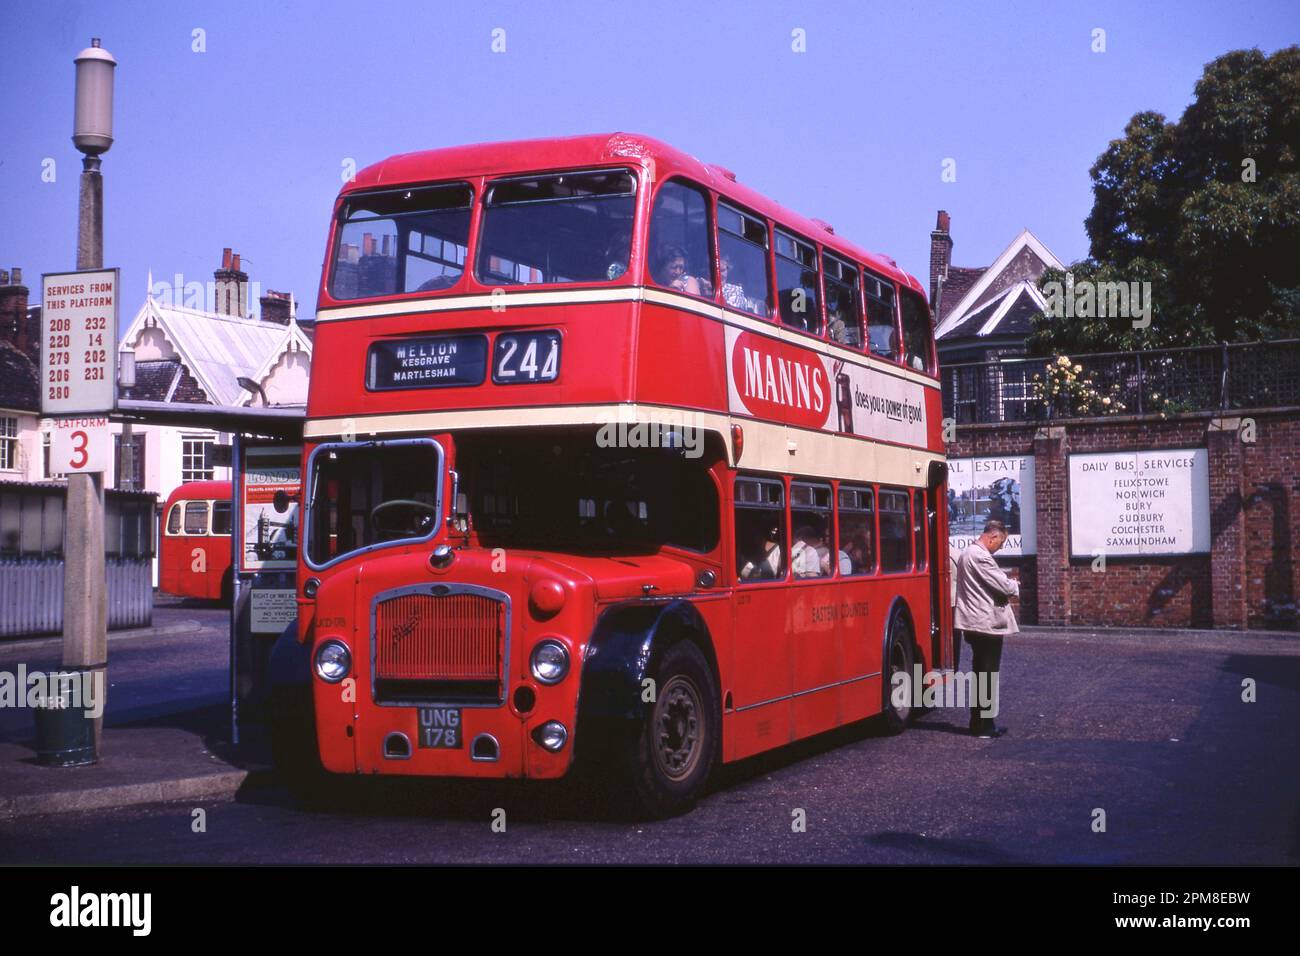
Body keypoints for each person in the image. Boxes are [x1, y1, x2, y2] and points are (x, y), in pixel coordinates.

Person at [953, 519, 1018, 738]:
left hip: (976, 622)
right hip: (985, 623)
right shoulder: (980, 556)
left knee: (981, 671)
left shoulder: (967, 554)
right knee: (988, 673)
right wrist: (1014, 585)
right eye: (999, 543)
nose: (998, 549)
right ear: (992, 537)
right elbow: (1004, 585)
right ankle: (984, 725)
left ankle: (980, 722)